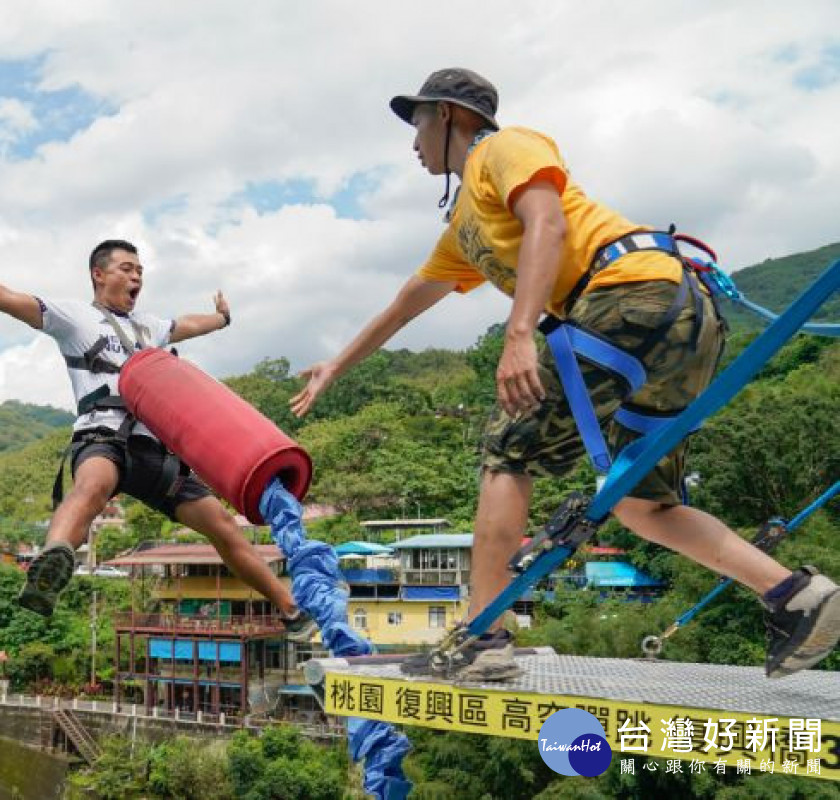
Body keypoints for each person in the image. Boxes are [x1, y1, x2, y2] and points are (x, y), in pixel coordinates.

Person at [290, 68, 840, 680]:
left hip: (630, 294)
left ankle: (483, 638)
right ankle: (795, 595)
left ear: (449, 114)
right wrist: (338, 364)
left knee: (507, 451)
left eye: (416, 121)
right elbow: (408, 301)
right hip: (679, 323)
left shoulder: (503, 147)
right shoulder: (465, 228)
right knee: (641, 504)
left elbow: (546, 223)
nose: (413, 142)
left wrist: (520, 332)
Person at [0, 236, 318, 641]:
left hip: (157, 450)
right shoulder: (74, 318)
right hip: (103, 435)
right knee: (92, 487)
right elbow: (5, 297)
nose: (137, 278)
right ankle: (52, 561)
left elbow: (188, 324)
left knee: (223, 526)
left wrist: (223, 319)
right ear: (99, 274)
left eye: (140, 271)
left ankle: (291, 609)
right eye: (127, 269)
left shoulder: (151, 327)